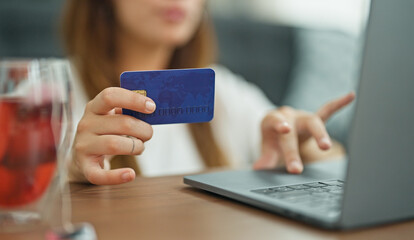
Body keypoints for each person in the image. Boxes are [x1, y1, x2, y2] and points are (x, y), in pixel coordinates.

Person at [62, 0, 355, 185]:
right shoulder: (44, 95)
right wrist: (72, 174)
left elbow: (332, 161)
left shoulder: (224, 92)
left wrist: (305, 146)